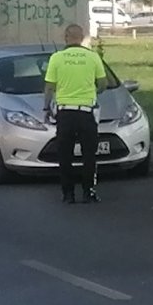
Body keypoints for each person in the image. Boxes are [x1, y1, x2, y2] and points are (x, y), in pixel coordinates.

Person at [43, 24, 107, 204]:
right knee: (89, 155)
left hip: (65, 114)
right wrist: (93, 92)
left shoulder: (57, 58)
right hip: (86, 113)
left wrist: (46, 108)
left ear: (66, 37)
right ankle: (88, 192)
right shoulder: (93, 57)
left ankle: (68, 194)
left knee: (65, 155)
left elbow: (49, 87)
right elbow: (103, 84)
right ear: (82, 37)